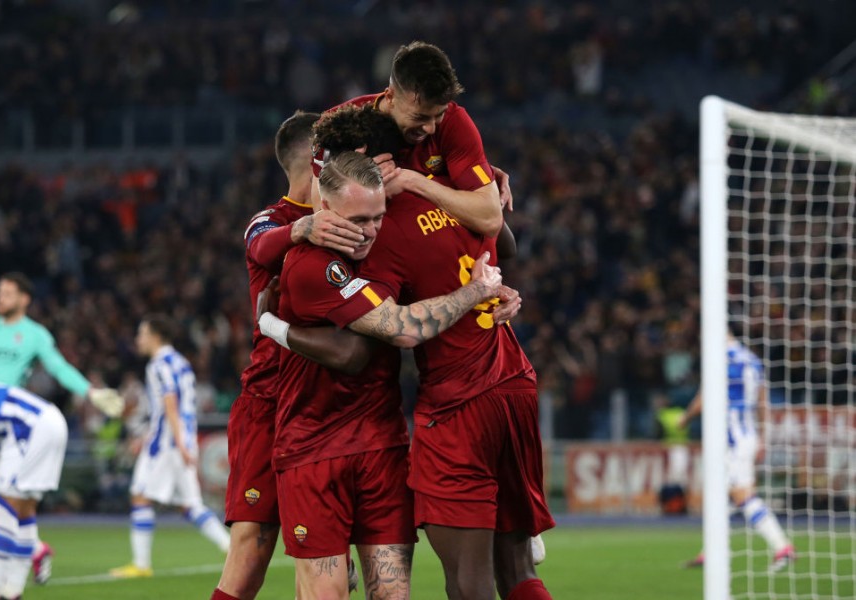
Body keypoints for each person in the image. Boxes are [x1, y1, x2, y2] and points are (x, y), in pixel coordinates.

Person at [262, 108, 554, 599]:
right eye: (360, 219)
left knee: (469, 582)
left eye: (374, 216)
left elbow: (372, 343)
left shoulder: (376, 237)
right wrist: (481, 190)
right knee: (517, 570)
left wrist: (273, 325)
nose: (370, 229)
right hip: (509, 382)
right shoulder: (457, 203)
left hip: (446, 411)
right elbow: (502, 237)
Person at [212, 110, 369, 600]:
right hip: (270, 402)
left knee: (326, 567)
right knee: (251, 550)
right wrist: (304, 230)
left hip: (331, 408)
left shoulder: (355, 215)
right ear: (318, 158)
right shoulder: (271, 221)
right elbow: (260, 247)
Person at [0, 272, 123, 584]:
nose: (0, 298)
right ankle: (27, 552)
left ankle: (9, 561)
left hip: (12, 424)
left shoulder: (34, 335)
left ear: (24, 299)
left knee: (3, 497)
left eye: (7, 293)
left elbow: (59, 367)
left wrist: (91, 392)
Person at [313, 40, 511, 239]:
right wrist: (365, 187)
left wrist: (412, 180)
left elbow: (491, 220)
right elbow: (323, 216)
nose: (431, 128)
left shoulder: (454, 121)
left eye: (438, 115)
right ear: (390, 97)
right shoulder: (338, 129)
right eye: (420, 117)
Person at [110, 315, 230, 578]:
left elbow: (170, 405)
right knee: (191, 505)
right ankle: (230, 547)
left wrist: (172, 442)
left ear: (155, 336)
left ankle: (141, 565)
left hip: (166, 444)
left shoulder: (158, 365)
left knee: (140, 495)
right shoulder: (182, 363)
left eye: (141, 334)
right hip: (183, 438)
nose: (138, 339)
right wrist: (185, 442)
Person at [678, 333, 795, 572]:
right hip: (748, 433)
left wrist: (685, 418)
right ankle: (710, 552)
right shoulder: (752, 359)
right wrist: (763, 437)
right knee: (723, 493)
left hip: (732, 437)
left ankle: (782, 548)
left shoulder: (719, 358)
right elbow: (763, 401)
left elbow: (704, 398)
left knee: (742, 495)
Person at [0, 380, 69, 600]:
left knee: (3, 508)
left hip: (29, 428)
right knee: (24, 510)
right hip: (50, 419)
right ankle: (12, 592)